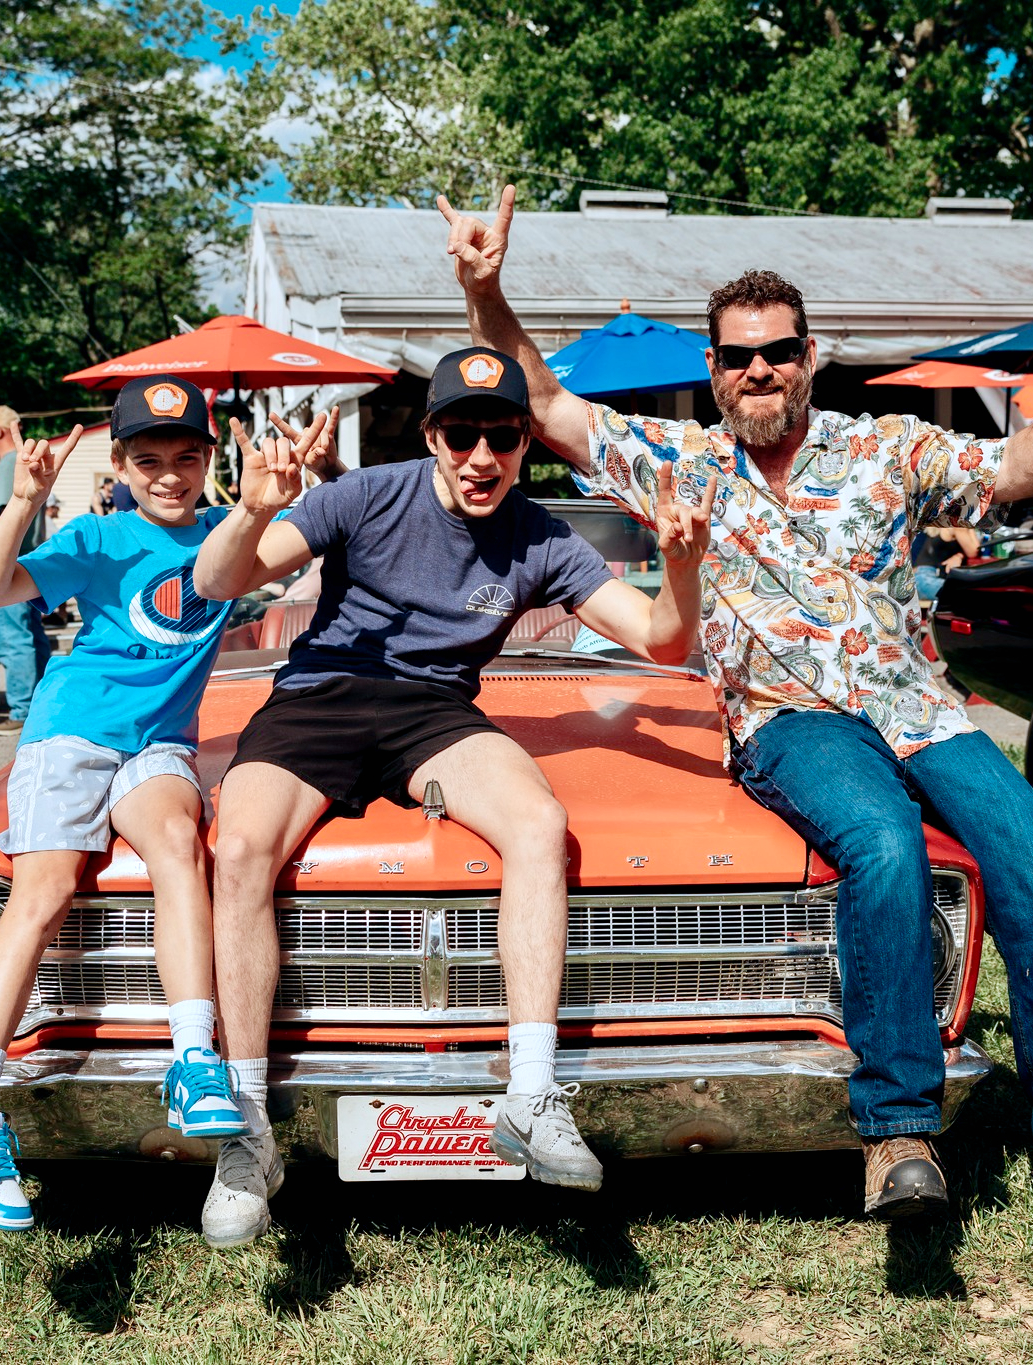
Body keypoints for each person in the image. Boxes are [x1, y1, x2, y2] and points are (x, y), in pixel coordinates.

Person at [438, 186, 1033, 1219]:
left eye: (779, 351)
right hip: (790, 719)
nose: (760, 370)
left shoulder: (892, 447)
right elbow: (540, 402)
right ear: (713, 372)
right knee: (884, 847)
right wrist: (487, 290)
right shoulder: (679, 461)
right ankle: (897, 1135)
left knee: (1026, 851)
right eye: (737, 356)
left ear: (811, 357)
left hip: (920, 705)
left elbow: (1013, 473)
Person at [192, 347, 714, 1248]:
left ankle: (532, 1093)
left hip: (434, 711)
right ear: (432, 434)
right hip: (320, 697)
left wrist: (682, 566)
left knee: (539, 823)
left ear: (524, 445)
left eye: (503, 436)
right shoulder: (366, 494)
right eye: (462, 433)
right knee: (237, 849)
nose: (483, 456)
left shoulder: (542, 537)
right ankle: (247, 1131)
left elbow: (662, 641)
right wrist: (251, 511)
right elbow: (217, 581)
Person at [0, 377, 332, 1232]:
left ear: (210, 459)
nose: (168, 474)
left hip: (158, 747)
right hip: (72, 731)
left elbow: (304, 552)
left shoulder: (228, 541)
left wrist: (296, 487)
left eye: (186, 456)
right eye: (147, 459)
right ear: (117, 465)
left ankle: (194, 1056)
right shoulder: (99, 536)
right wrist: (28, 498)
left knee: (179, 847)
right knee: (41, 892)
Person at [0, 405, 52, 735]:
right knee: (29, 636)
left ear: (1, 431)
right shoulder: (11, 465)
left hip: (5, 572)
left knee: (13, 640)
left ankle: (23, 711)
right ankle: (38, 704)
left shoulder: (8, 466)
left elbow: (10, 517)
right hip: (17, 569)